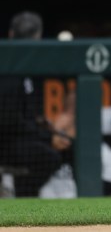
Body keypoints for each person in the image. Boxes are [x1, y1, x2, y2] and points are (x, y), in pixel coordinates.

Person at [0, 12, 62, 197]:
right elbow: (8, 120)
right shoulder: (8, 65)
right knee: (50, 156)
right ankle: (20, 196)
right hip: (6, 142)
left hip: (16, 137)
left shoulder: (25, 65)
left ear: (11, 33)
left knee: (67, 145)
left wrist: (39, 124)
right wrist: (45, 136)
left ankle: (20, 194)